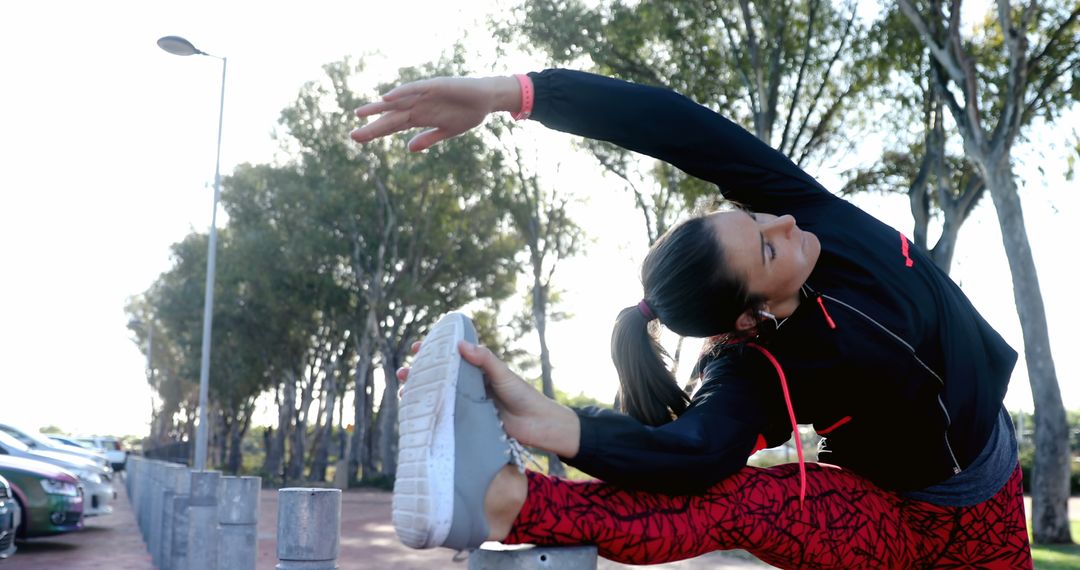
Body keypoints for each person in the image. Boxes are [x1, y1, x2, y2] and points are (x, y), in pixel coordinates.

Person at [351, 69, 1032, 569]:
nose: (788, 222)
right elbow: (698, 450)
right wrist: (556, 424)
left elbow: (677, 126)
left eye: (758, 218)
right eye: (769, 247)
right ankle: (501, 500)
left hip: (992, 504)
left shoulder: (808, 212)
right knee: (733, 498)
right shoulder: (754, 365)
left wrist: (510, 94)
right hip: (897, 520)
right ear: (750, 315)